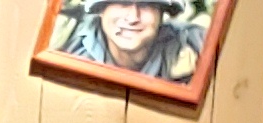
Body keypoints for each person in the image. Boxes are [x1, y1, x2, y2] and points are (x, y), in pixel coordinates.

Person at [56, 0, 199, 83]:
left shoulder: (193, 43)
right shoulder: (65, 38)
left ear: (161, 14)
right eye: (122, 2)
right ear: (100, 8)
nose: (132, 18)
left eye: (146, 4)